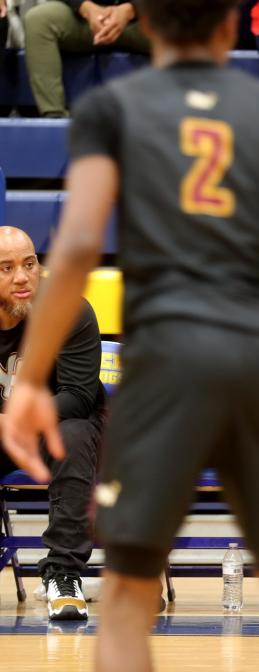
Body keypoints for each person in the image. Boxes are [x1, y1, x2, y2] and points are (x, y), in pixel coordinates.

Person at [0, 2, 259, 672]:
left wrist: (29, 379)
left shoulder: (111, 109)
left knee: (124, 597)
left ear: (147, 19)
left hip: (164, 363)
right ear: (230, 26)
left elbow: (80, 246)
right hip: (253, 360)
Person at [0, 226, 104, 621]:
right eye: (5, 268)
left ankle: (63, 574)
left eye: (29, 264)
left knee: (73, 434)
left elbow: (77, 397)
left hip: (54, 429)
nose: (23, 277)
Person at [24, 0, 149, 117]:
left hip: (143, 18)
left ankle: (166, 120)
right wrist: (85, 7)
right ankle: (54, 119)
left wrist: (131, 9)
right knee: (38, 20)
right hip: (83, 19)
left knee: (167, 23)